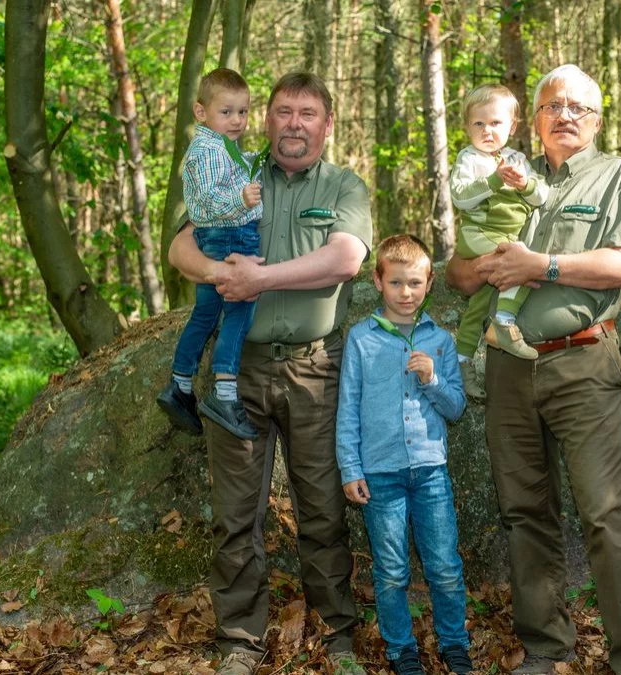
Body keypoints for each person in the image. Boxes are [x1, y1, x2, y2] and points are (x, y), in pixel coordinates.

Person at [445, 64, 621, 675]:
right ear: (533, 119)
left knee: (606, 514)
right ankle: (545, 649)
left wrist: (537, 266)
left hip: (582, 362)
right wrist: (480, 269)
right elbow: (459, 274)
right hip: (508, 366)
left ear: (597, 120)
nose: (566, 116)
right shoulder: (497, 172)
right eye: (553, 107)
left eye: (579, 108)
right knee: (524, 512)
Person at [168, 71, 372, 675]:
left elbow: (347, 259)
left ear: (326, 124)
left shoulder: (343, 184)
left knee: (324, 509)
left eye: (308, 113)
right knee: (236, 516)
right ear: (266, 119)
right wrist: (218, 274)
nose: (294, 123)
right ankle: (239, 641)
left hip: (316, 370)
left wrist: (261, 278)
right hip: (239, 372)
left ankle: (337, 636)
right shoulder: (230, 168)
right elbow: (181, 248)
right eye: (283, 111)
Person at [335, 234, 472, 675]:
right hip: (381, 474)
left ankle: (455, 643)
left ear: (429, 283)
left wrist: (433, 379)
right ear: (377, 281)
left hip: (430, 471)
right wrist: (350, 468)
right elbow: (348, 407)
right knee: (391, 570)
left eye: (414, 283)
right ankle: (401, 649)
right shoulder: (361, 339)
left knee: (445, 565)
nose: (406, 293)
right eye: (396, 283)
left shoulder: (441, 342)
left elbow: (456, 408)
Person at [156, 68, 265, 440]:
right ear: (201, 113)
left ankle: (181, 386)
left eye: (243, 112)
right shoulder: (206, 151)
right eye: (227, 112)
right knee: (239, 309)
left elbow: (235, 171)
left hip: (217, 237)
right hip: (230, 237)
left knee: (205, 313)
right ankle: (224, 394)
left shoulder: (222, 147)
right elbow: (205, 201)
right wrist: (241, 199)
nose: (237, 121)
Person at [449, 84, 549, 399]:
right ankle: (505, 324)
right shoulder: (468, 158)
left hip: (506, 236)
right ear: (467, 127)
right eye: (478, 124)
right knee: (517, 264)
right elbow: (460, 198)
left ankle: (462, 361)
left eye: (495, 123)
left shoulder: (517, 158)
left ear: (512, 126)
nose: (487, 131)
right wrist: (494, 180)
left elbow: (541, 196)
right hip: (479, 235)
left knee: (479, 305)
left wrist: (524, 183)